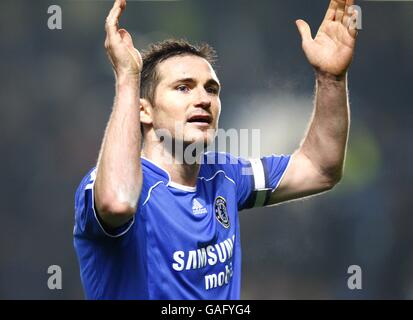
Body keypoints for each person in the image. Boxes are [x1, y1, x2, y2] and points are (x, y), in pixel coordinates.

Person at [74, 0, 359, 299]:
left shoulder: (223, 176)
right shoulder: (109, 185)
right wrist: (128, 79)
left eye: (211, 89)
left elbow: (320, 168)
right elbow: (117, 202)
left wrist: (331, 79)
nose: (203, 99)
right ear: (144, 110)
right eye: (183, 87)